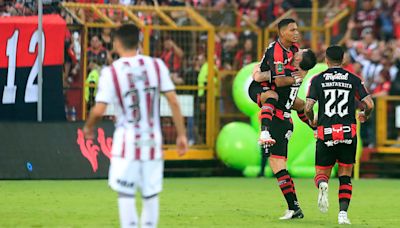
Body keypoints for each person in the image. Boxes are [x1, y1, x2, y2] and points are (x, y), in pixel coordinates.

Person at [83, 24, 188, 228]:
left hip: (126, 143)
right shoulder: (156, 65)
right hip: (152, 141)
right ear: (139, 42)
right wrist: (181, 135)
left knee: (126, 193)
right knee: (150, 194)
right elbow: (174, 101)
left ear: (116, 43)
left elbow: (98, 110)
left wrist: (89, 128)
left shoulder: (111, 72)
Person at [305, 45, 374, 225]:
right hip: (347, 132)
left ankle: (323, 185)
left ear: (326, 60)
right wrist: (364, 115)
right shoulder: (354, 79)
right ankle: (343, 214)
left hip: (325, 132)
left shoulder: (317, 79)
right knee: (345, 175)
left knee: (321, 173)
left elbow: (308, 107)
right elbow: (370, 104)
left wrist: (313, 120)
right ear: (343, 60)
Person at [249, 48, 316, 219]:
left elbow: (258, 75)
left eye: (300, 52)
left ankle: (294, 207)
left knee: (278, 166)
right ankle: (294, 207)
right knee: (278, 165)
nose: (297, 51)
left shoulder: (289, 74)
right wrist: (315, 128)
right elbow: (299, 105)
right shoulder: (299, 75)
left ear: (300, 59)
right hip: (284, 121)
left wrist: (258, 71)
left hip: (278, 122)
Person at [251, 18, 314, 146]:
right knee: (272, 97)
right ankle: (264, 133)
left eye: (297, 29)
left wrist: (302, 73)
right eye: (293, 30)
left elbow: (305, 64)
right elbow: (279, 81)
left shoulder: (295, 48)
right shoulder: (277, 53)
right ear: (282, 33)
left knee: (301, 105)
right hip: (262, 86)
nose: (297, 33)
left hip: (277, 86)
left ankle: (316, 129)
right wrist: (295, 78)